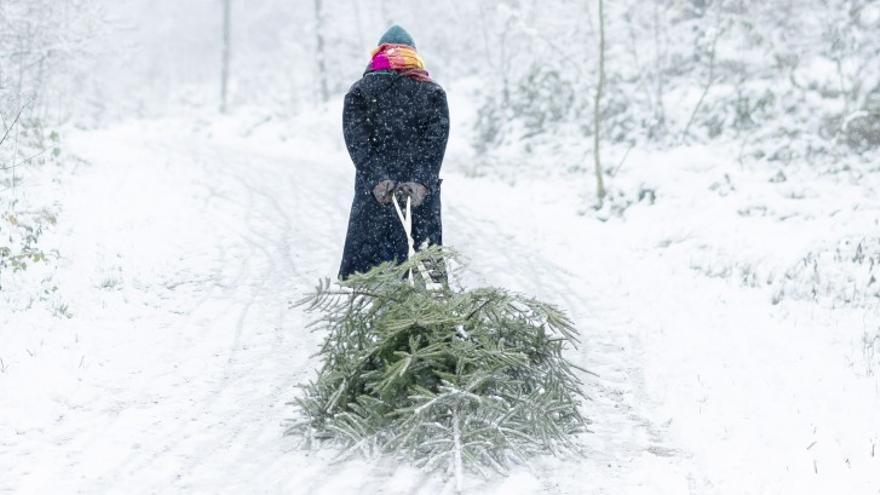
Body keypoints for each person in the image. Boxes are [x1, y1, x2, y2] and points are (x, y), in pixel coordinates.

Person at [338, 25, 450, 280]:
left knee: (378, 272)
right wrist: (420, 181)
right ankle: (431, 314)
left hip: (377, 193)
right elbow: (436, 143)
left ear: (379, 54)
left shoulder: (360, 92)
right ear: (413, 54)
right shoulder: (432, 92)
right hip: (420, 195)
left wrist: (378, 178)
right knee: (426, 262)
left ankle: (384, 312)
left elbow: (357, 142)